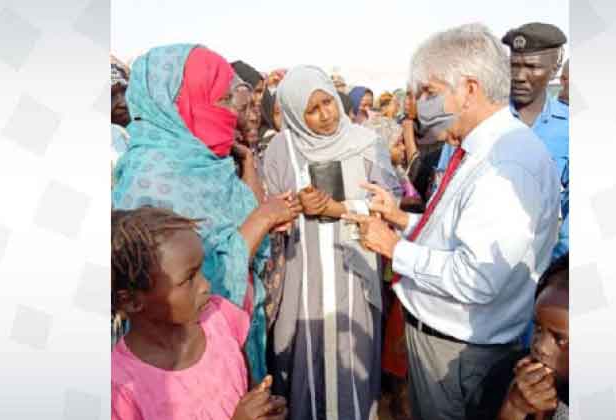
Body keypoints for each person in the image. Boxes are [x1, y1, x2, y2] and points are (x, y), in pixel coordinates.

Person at [342, 23, 561, 420]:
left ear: (469, 89)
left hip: (460, 351)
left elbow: (477, 278)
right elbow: (454, 237)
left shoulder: (505, 163)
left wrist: (394, 248)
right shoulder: (479, 148)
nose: (422, 104)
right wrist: (401, 219)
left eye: (430, 92)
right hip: (450, 342)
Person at [112, 44, 302, 383]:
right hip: (184, 364)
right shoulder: (152, 180)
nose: (232, 113)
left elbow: (242, 222)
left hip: (234, 333)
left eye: (232, 101)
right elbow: (184, 285)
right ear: (176, 104)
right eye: (221, 101)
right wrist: (262, 220)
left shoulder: (206, 161)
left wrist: (248, 167)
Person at [263, 65, 402, 420]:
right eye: (312, 110)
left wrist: (338, 208)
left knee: (350, 352)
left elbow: (390, 204)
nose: (326, 115)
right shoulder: (282, 148)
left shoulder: (365, 142)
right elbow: (268, 209)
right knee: (304, 353)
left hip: (353, 267)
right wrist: (295, 206)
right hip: (301, 272)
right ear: (295, 113)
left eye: (328, 103)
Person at [111, 207, 289, 420]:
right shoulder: (120, 388)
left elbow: (248, 386)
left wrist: (263, 408)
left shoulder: (220, 317)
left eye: (201, 270)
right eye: (189, 279)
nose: (205, 285)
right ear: (131, 301)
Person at [474, 254, 569, 420]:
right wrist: (514, 407)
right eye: (538, 328)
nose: (540, 347)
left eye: (561, 340)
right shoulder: (509, 374)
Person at [502, 22, 568, 261]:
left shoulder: (570, 128)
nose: (519, 77)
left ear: (555, 68)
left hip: (542, 263)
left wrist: (558, 264)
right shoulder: (481, 119)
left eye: (532, 67)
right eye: (514, 66)